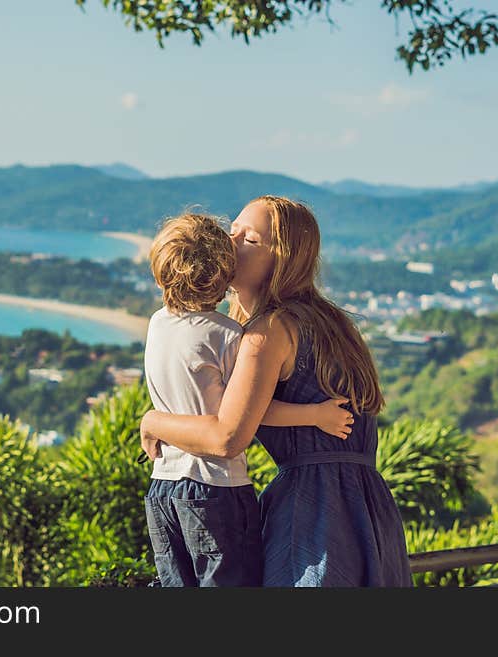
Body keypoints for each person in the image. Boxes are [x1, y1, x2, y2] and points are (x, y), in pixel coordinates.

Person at [141, 197, 413, 587]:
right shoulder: (330, 323)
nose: (229, 243)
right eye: (230, 231)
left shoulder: (268, 332)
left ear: (282, 260)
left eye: (248, 239)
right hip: (366, 511)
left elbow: (227, 437)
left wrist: (153, 421)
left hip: (312, 514)